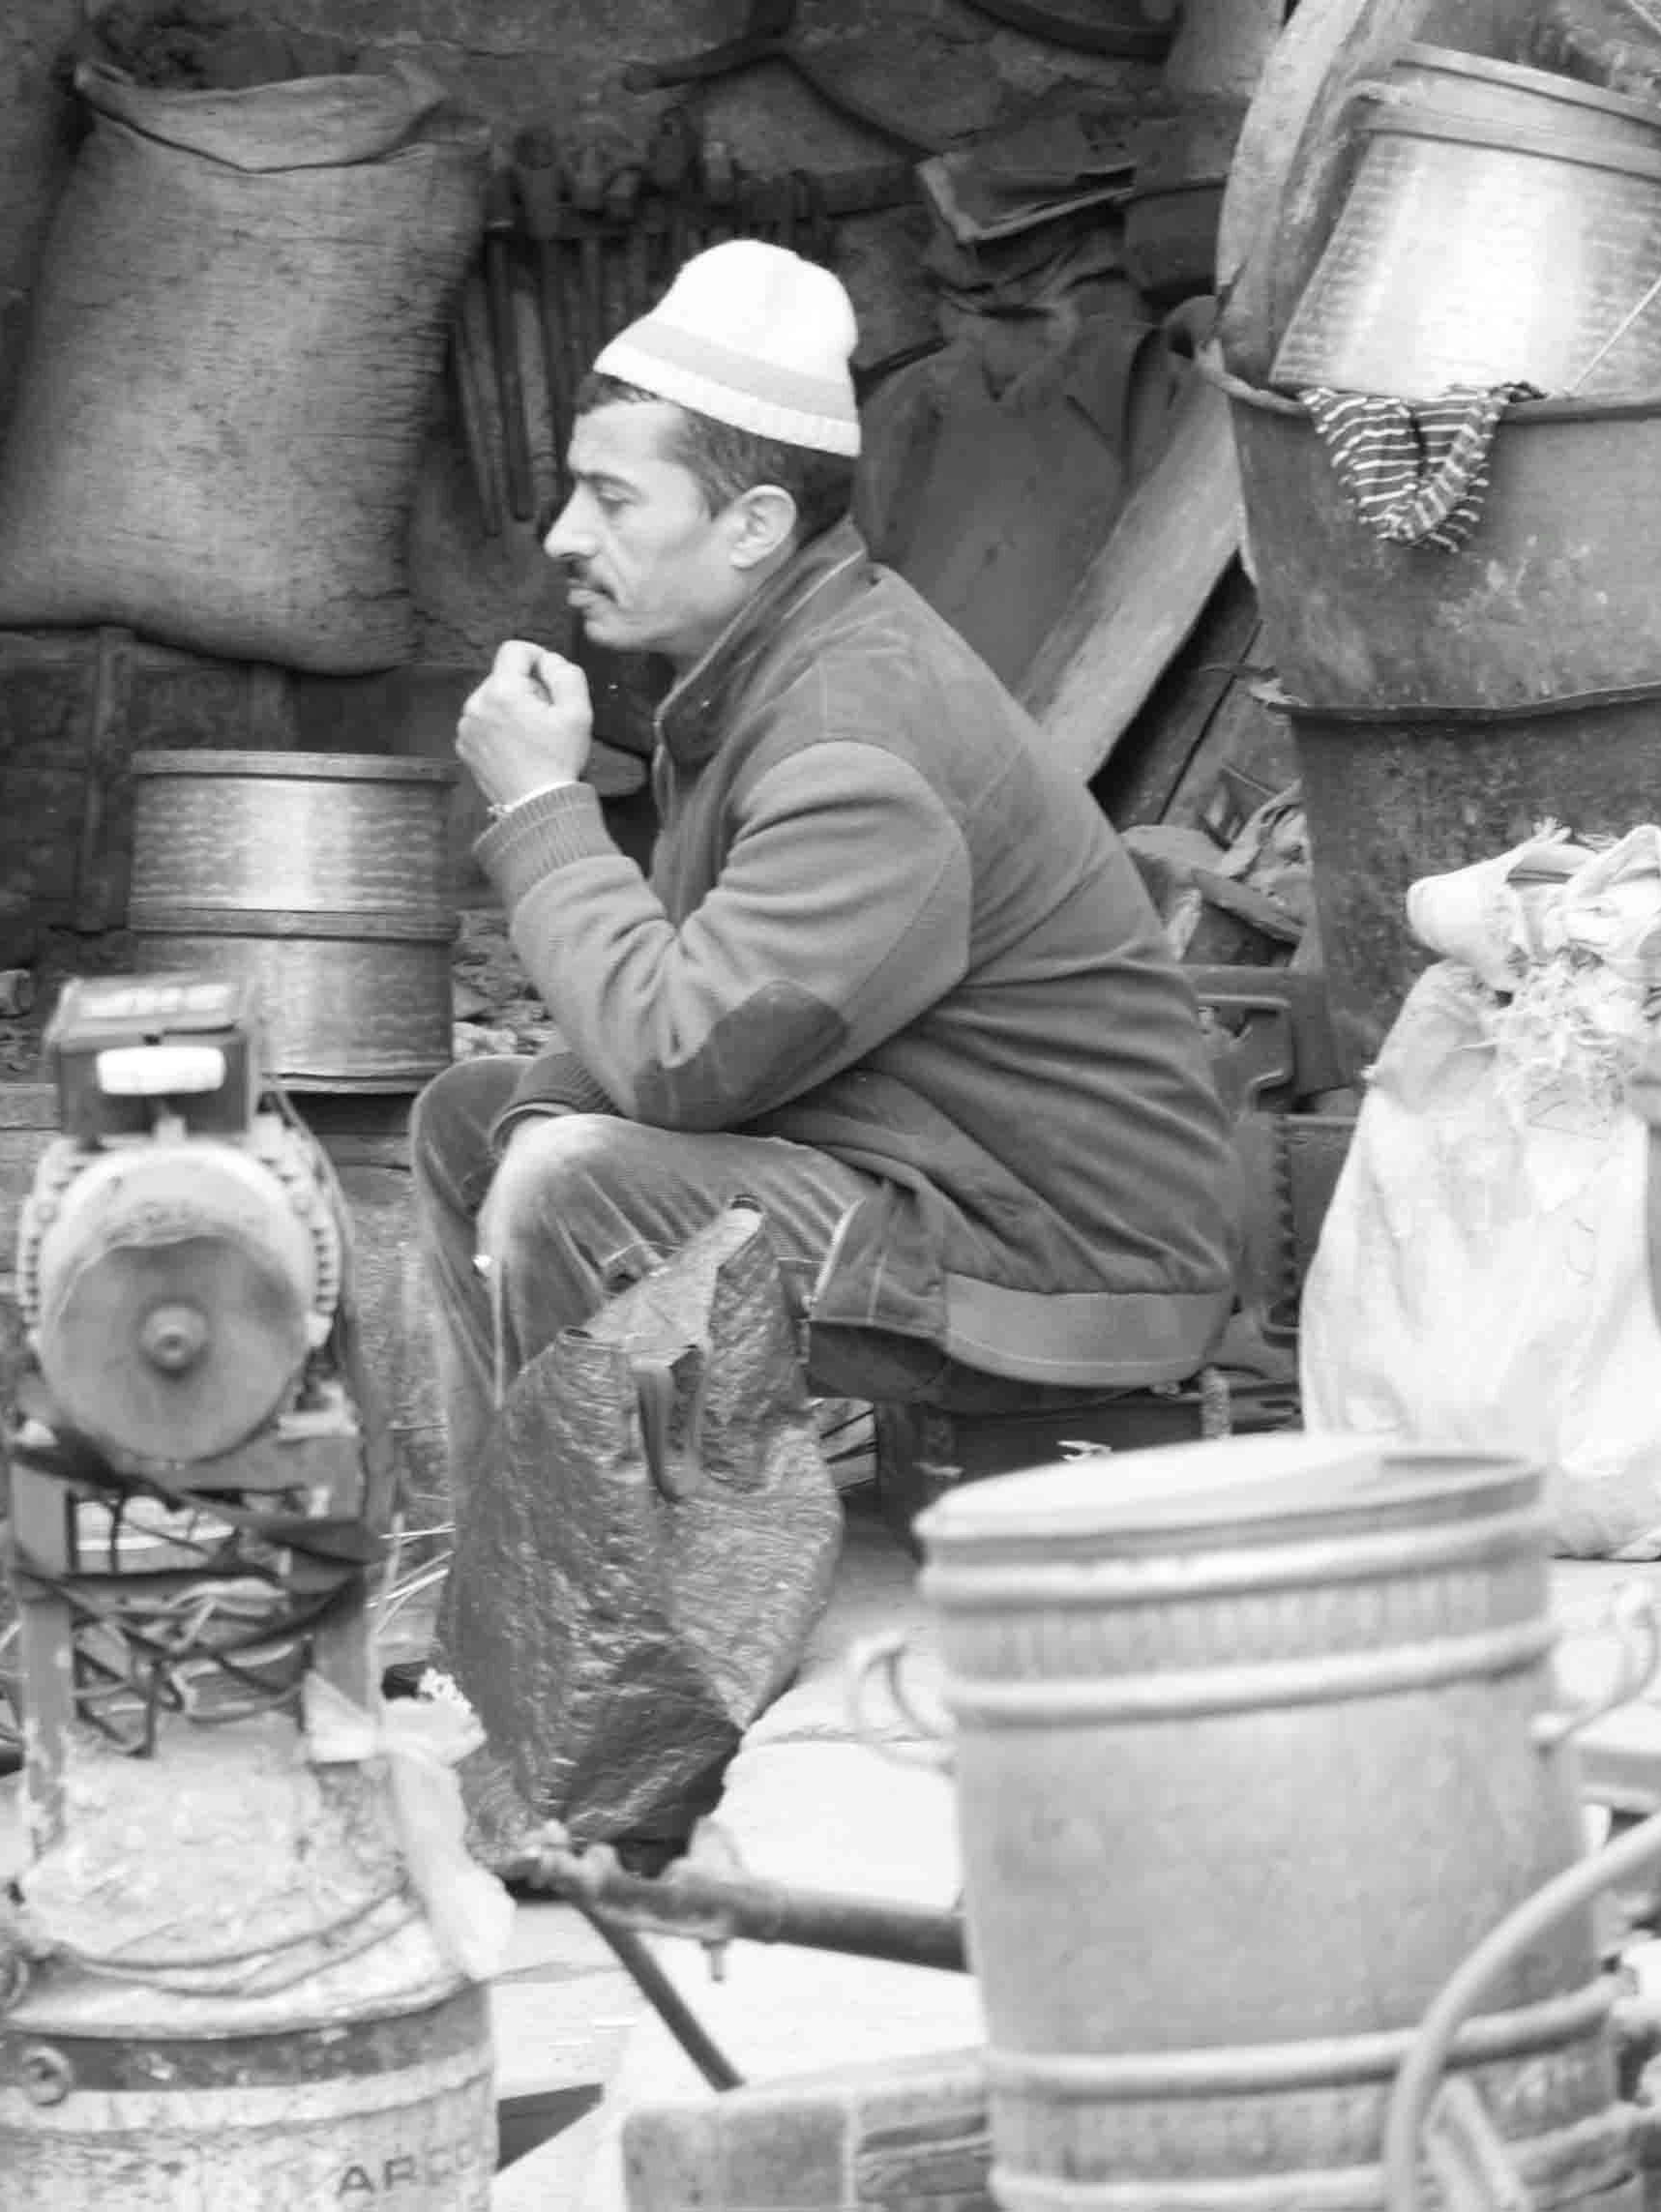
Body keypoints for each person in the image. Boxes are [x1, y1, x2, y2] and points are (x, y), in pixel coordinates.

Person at [423, 239, 1239, 1460]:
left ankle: (604, 1613)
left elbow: (676, 1062)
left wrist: (540, 808)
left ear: (752, 524)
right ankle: (503, 1561)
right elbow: (698, 1022)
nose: (559, 536)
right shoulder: (764, 677)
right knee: (470, 1118)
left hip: (1059, 1264)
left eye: (611, 497)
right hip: (925, 1183)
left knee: (570, 1180)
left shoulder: (855, 750)